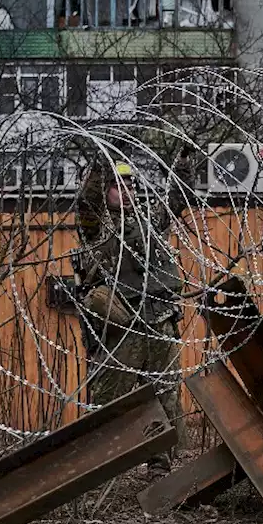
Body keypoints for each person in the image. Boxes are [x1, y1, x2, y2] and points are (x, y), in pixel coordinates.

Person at [73, 151, 196, 473]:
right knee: (109, 399)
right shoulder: (97, 228)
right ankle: (95, 467)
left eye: (130, 185)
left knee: (164, 395)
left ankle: (161, 465)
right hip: (120, 325)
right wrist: (100, 166)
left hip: (158, 320)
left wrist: (183, 163)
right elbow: (87, 204)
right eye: (117, 186)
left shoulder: (148, 221)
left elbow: (176, 199)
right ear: (104, 190)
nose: (126, 191)